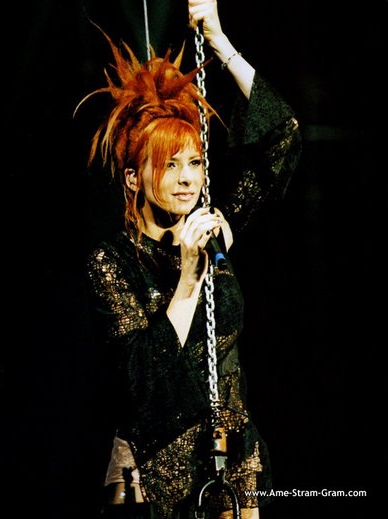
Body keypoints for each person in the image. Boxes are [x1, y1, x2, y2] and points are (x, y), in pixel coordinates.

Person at [78, 1, 301, 517]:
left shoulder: (213, 228)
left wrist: (219, 41)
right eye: (168, 164)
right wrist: (187, 279)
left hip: (235, 465)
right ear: (134, 178)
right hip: (158, 477)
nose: (186, 178)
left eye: (195, 162)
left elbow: (284, 135)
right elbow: (143, 382)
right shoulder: (112, 262)